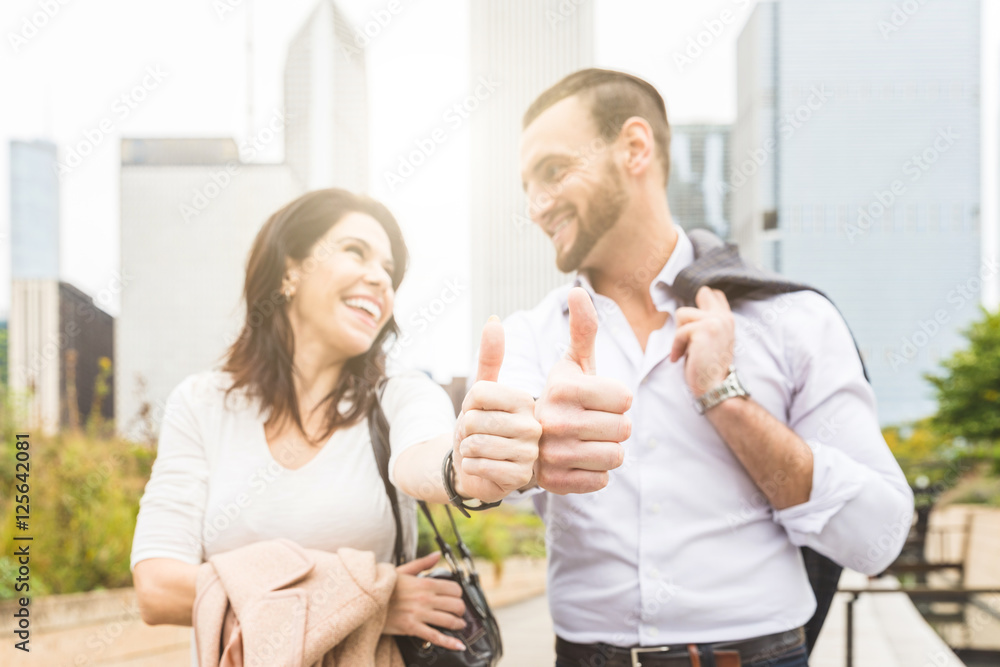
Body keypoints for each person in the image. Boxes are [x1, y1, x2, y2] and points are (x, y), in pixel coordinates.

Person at [498, 68, 914, 667]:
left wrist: (725, 395)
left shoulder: (793, 319)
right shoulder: (528, 338)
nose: (536, 206)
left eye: (554, 171)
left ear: (635, 148)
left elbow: (877, 539)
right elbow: (486, 473)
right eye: (526, 187)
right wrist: (503, 460)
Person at [129, 188, 540, 662]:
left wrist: (461, 468)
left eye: (389, 271)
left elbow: (423, 457)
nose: (380, 280)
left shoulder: (400, 393)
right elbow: (157, 588)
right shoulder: (201, 404)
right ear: (290, 270)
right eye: (355, 251)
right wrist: (366, 599)